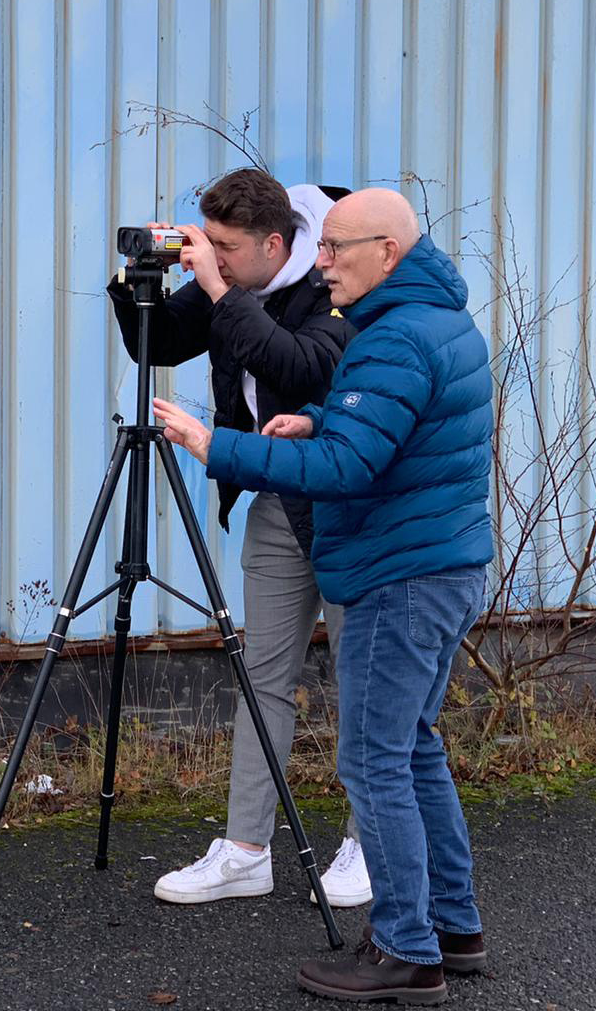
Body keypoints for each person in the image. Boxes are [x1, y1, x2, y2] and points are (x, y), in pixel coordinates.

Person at [152, 187, 493, 1004]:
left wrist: (215, 444)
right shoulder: (434, 321)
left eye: (338, 248)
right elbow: (380, 439)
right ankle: (457, 928)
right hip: (439, 563)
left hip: (398, 575)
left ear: (390, 252)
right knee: (413, 746)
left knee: (375, 760)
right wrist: (318, 425)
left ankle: (408, 951)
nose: (324, 262)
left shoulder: (394, 340)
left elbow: (349, 471)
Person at [105, 167, 371, 908]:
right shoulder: (236, 270)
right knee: (264, 677)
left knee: (363, 682)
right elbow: (158, 345)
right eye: (207, 245)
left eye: (224, 248)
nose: (211, 260)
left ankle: (368, 845)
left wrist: (223, 294)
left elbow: (301, 364)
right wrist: (138, 282)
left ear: (275, 244)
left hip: (353, 507)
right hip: (280, 501)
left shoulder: (334, 277)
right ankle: (247, 850)